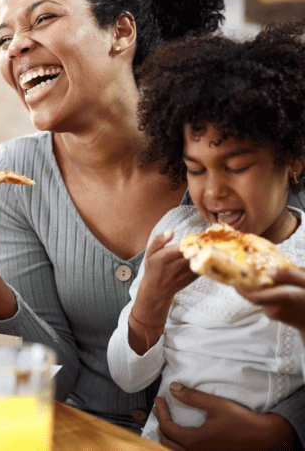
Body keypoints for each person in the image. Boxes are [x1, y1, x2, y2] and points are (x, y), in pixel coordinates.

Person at [0, 0, 305, 449]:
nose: (16, 46)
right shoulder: (12, 177)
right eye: (4, 38)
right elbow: (49, 382)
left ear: (120, 31)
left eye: (42, 18)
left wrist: (282, 432)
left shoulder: (237, 144)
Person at [106, 22, 305, 442]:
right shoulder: (176, 234)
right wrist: (149, 304)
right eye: (195, 169)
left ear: (293, 158)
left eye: (236, 167)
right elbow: (126, 377)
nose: (213, 191)